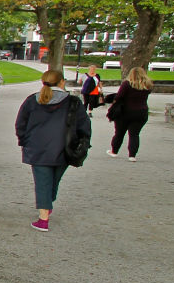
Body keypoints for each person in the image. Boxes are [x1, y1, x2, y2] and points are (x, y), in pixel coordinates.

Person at [15, 69, 90, 231]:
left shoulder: (32, 101)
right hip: (65, 148)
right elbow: (84, 125)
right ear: (62, 82)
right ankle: (44, 214)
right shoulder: (73, 103)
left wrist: (24, 141)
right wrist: (82, 143)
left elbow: (21, 123)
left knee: (44, 183)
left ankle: (45, 210)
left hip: (38, 147)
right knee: (52, 181)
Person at [107, 66, 153, 161]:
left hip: (125, 112)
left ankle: (114, 151)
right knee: (134, 134)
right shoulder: (148, 85)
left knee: (119, 133)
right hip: (141, 112)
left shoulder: (127, 84)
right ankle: (132, 155)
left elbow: (119, 96)